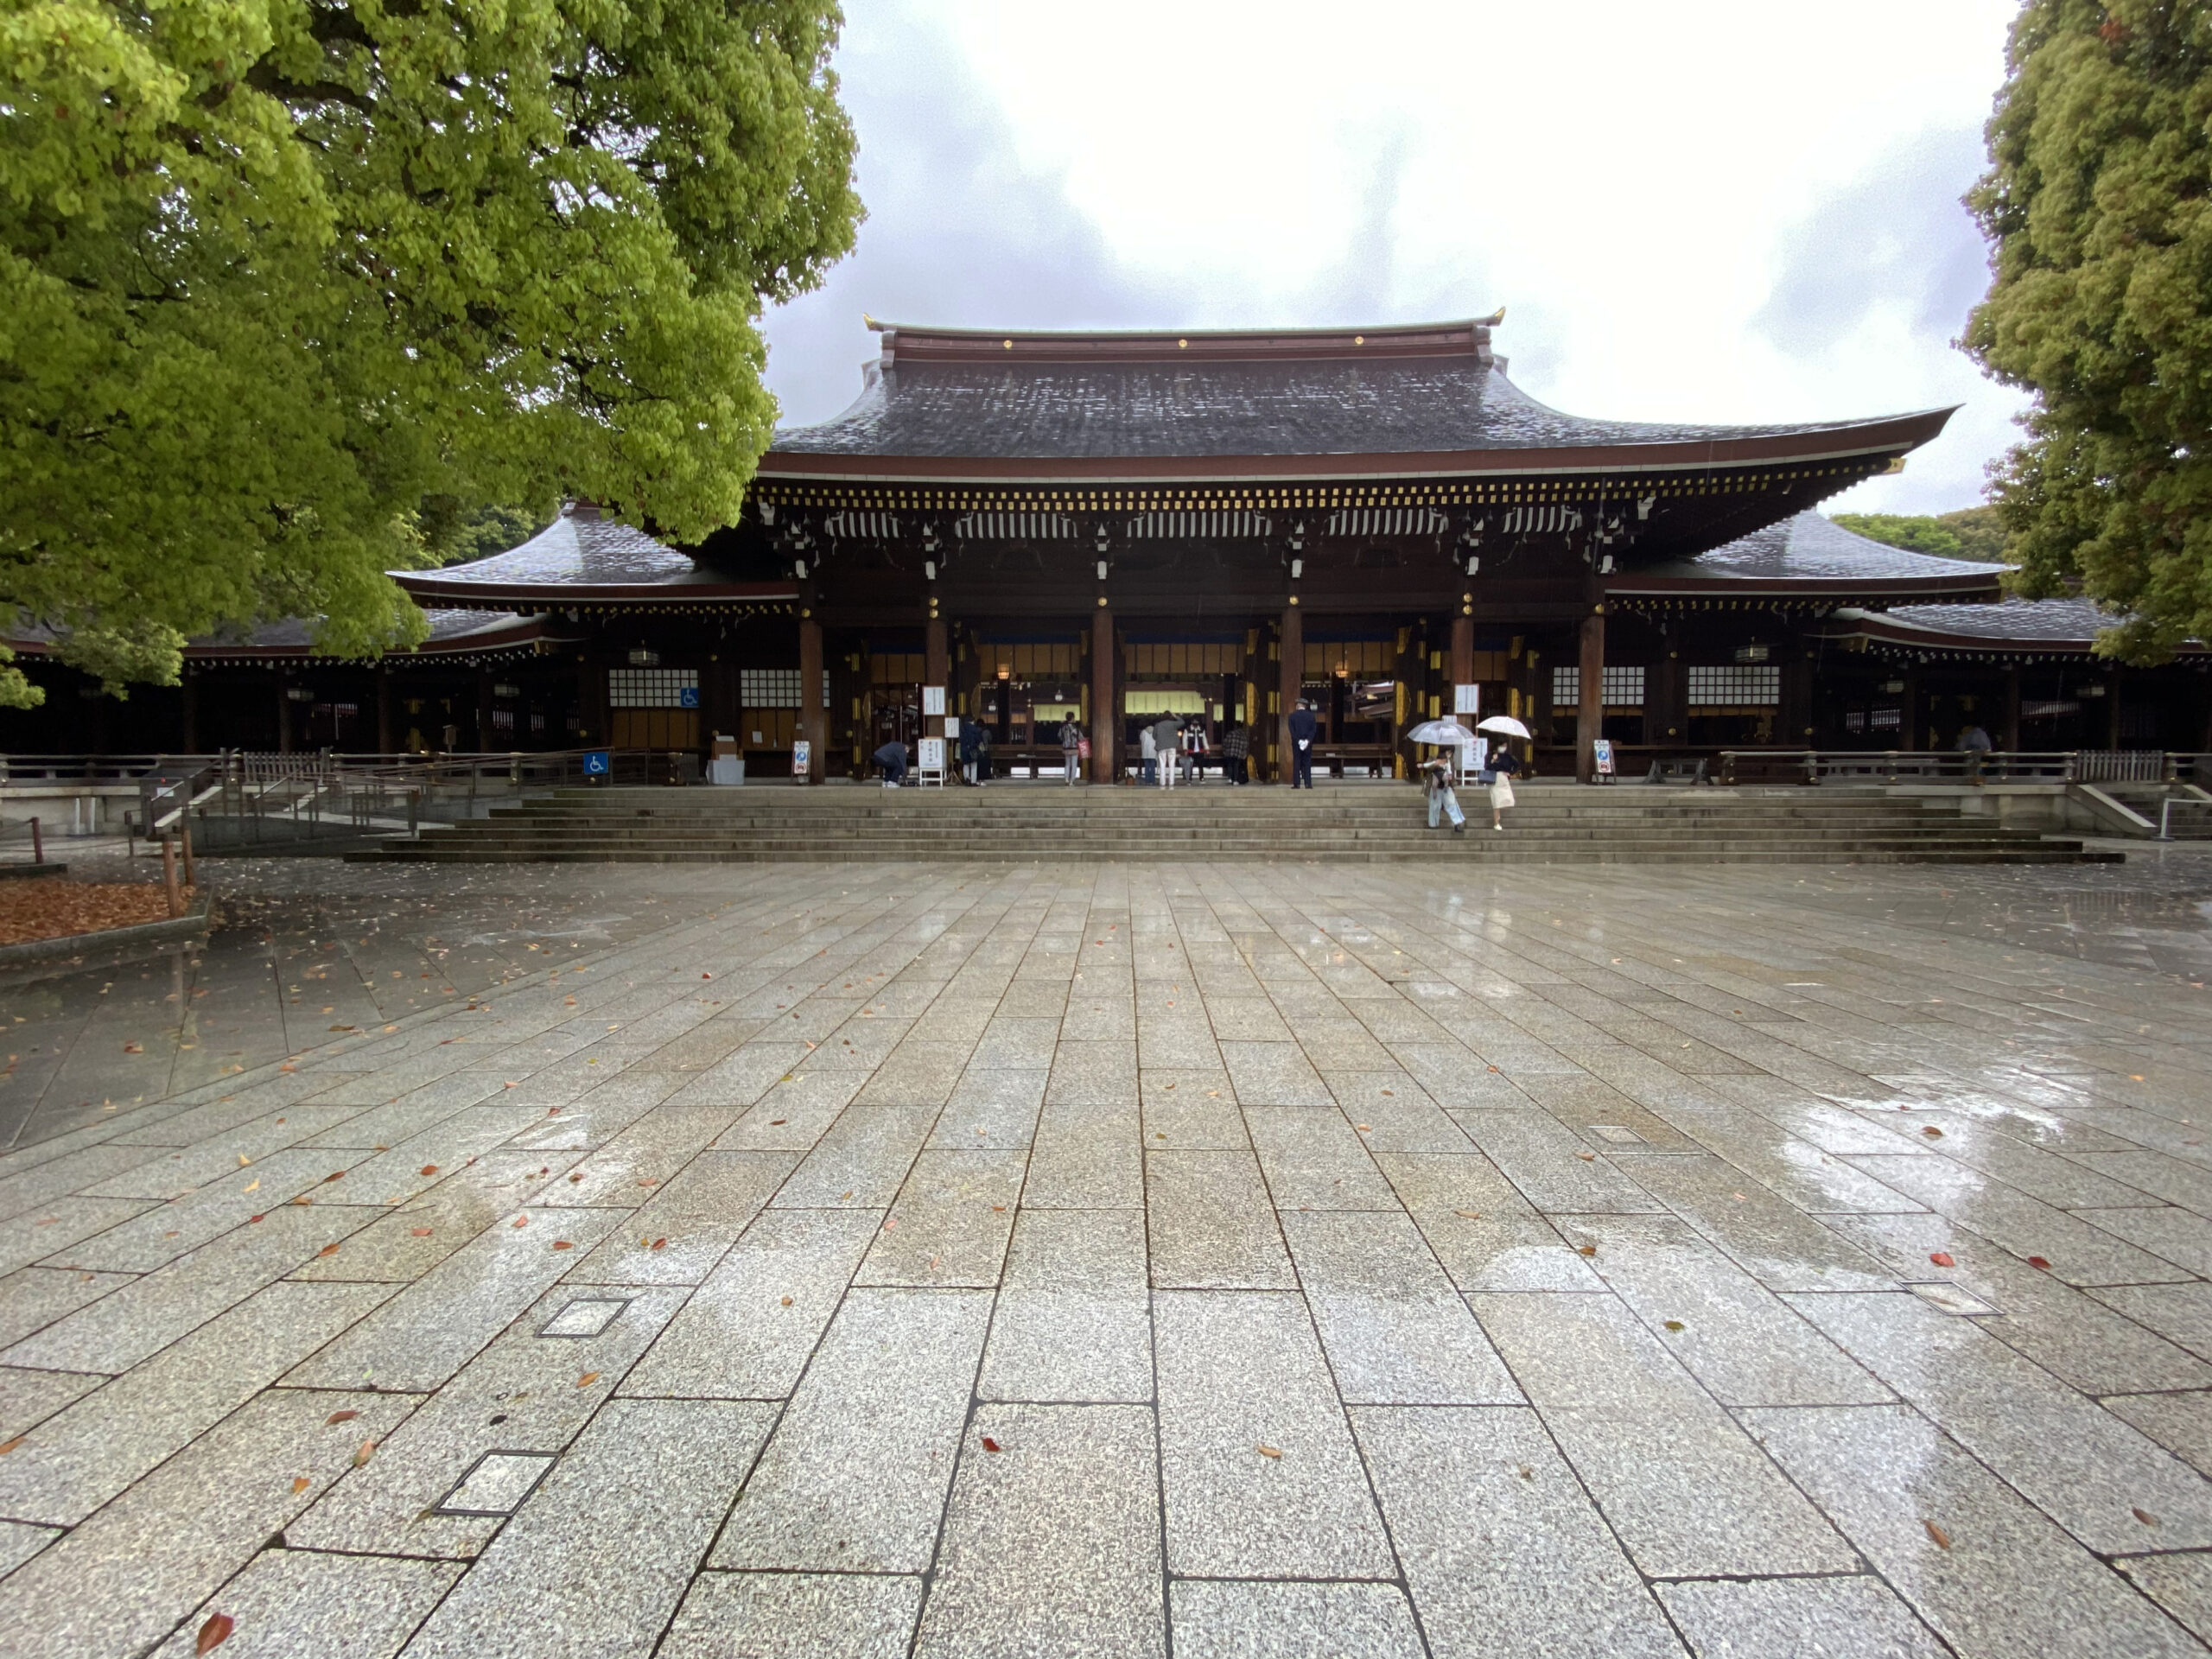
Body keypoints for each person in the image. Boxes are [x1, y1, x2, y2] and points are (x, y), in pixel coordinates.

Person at [1421, 754, 1466, 834]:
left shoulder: (1449, 762)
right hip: (1435, 787)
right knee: (1434, 805)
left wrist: (1450, 777)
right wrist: (1434, 764)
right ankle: (1433, 824)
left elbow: (1451, 773)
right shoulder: (1433, 759)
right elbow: (1427, 767)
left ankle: (1457, 823)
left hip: (1446, 787)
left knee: (1452, 805)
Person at [1484, 741, 1522, 830]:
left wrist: (1510, 773)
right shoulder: (1489, 755)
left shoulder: (1507, 756)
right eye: (1502, 746)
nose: (1504, 747)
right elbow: (1486, 767)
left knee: (1507, 799)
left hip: (1503, 779)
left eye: (1505, 746)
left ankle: (1498, 819)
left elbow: (1516, 765)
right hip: (1494, 779)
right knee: (1496, 801)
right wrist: (1493, 760)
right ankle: (1496, 822)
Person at [1287, 699, 1318, 788]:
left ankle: (1297, 783)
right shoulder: (1311, 716)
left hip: (1297, 743)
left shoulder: (1292, 716)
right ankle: (1308, 783)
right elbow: (1313, 730)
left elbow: (1292, 731)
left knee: (1297, 762)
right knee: (1307, 762)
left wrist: (1298, 741)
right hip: (1307, 743)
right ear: (1305, 706)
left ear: (1298, 705)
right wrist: (1307, 740)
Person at [1957, 721, 1993, 785]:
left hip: (1970, 755)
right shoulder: (1983, 734)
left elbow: (1961, 747)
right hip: (1978, 755)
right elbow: (1988, 748)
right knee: (1977, 768)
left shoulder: (1968, 734)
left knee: (1970, 769)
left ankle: (1968, 780)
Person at [1151, 715, 1181, 789]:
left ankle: (1163, 783)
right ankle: (1171, 783)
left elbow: (1154, 736)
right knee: (1172, 765)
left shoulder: (1158, 725)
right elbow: (1182, 722)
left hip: (1162, 747)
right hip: (1172, 747)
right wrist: (1175, 716)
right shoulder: (1173, 724)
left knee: (1162, 765)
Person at [1182, 717, 1209, 785]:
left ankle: (1201, 778)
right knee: (1190, 766)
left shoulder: (1202, 730)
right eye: (1194, 721)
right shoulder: (1187, 730)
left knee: (1201, 765)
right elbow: (1184, 740)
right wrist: (1185, 749)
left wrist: (1207, 748)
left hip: (1200, 750)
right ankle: (1189, 779)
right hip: (1191, 751)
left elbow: (1204, 740)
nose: (1195, 723)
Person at [1223, 720, 1249, 785]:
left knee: (1230, 765)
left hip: (1230, 752)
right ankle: (1235, 780)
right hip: (1238, 753)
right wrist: (1244, 754)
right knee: (1236, 766)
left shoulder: (1231, 734)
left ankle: (1230, 778)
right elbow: (1245, 745)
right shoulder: (1243, 735)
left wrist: (1225, 750)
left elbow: (1225, 743)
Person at [1059, 715, 1083, 785]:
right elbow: (1081, 737)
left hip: (1066, 748)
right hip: (1074, 748)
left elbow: (1060, 736)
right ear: (1072, 718)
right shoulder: (1075, 728)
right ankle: (1071, 781)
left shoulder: (1063, 728)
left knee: (1067, 764)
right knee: (1074, 765)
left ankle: (1066, 779)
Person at [958, 719, 982, 786]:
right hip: (972, 749)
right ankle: (973, 781)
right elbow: (978, 739)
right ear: (972, 721)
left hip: (964, 749)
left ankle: (967, 779)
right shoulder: (974, 729)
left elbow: (960, 740)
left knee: (966, 765)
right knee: (974, 765)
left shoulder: (962, 728)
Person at [1140, 720, 1157, 785]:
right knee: (1152, 767)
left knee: (1147, 767)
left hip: (1145, 752)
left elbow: (1141, 739)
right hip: (1153, 752)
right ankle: (1152, 781)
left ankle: (1147, 780)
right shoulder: (1155, 731)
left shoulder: (1143, 732)